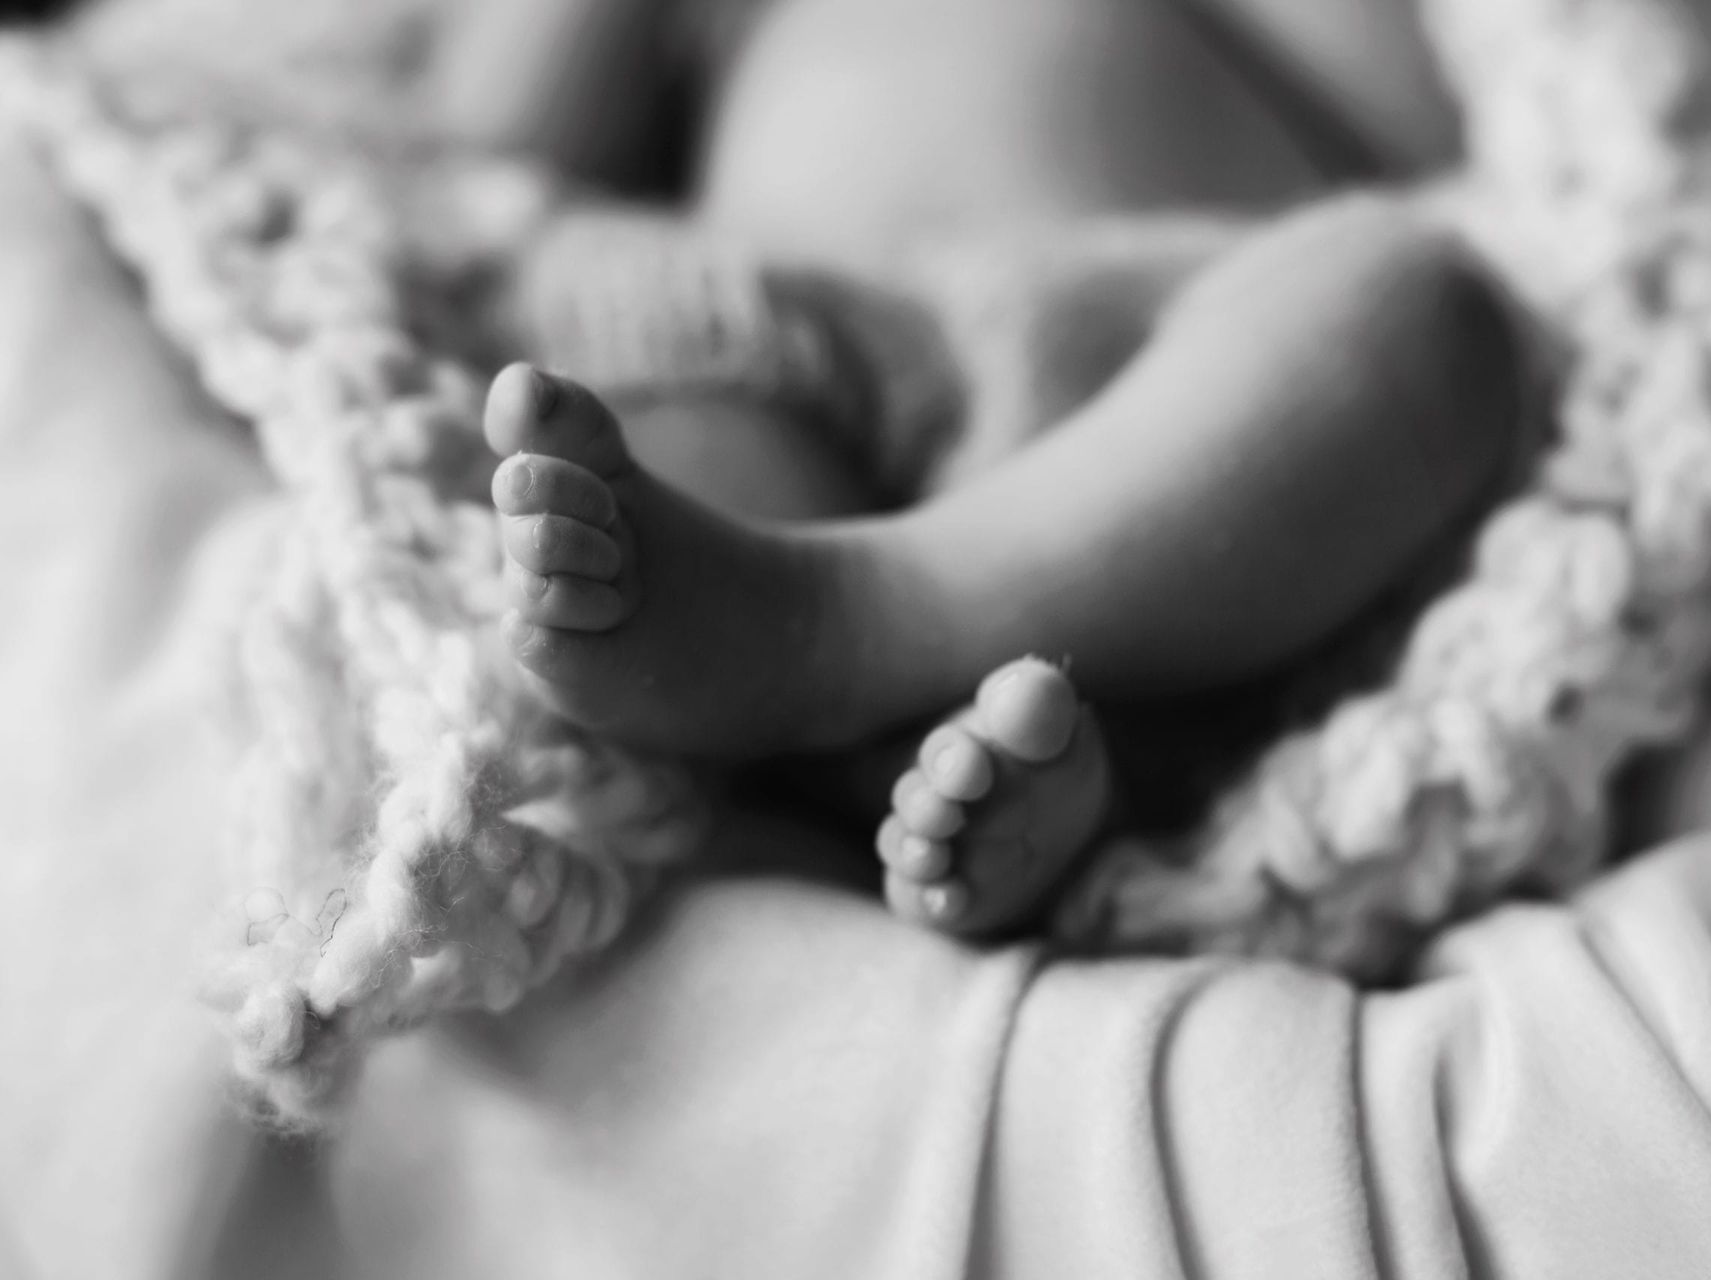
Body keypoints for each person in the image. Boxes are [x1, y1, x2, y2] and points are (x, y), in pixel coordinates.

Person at [454, 0, 1528, 935]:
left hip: (1138, 366)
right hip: (759, 324)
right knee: (624, 451)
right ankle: (913, 740)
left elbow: (1425, 113)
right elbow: (496, 138)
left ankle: (851, 631)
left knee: (1415, 306)